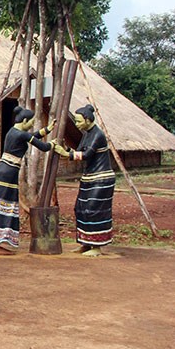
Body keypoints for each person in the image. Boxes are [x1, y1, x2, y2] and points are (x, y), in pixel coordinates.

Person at [0, 106, 55, 255]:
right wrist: (54, 144)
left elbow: (31, 136)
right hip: (8, 173)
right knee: (4, 206)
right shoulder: (21, 134)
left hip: (2, 171)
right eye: (31, 122)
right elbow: (44, 147)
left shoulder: (13, 132)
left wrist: (47, 130)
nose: (31, 125)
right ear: (25, 120)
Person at [53, 104, 114, 257]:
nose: (77, 124)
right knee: (80, 209)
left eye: (79, 121)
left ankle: (97, 246)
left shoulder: (98, 135)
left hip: (101, 179)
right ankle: (86, 243)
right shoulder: (87, 134)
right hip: (88, 178)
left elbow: (86, 155)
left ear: (87, 120)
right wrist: (66, 149)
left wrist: (65, 154)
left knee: (93, 210)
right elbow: (80, 151)